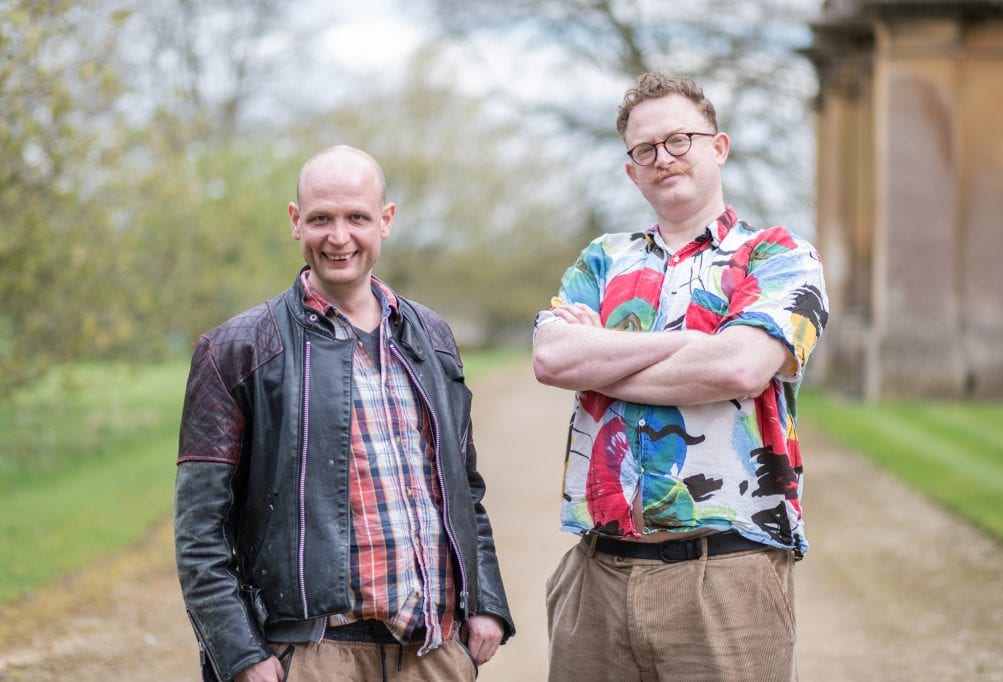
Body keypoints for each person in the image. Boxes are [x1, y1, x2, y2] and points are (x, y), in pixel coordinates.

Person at [174, 145, 514, 682]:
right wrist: (240, 656)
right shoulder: (237, 350)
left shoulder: (433, 339)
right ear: (295, 222)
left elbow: (463, 489)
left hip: (433, 653)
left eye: (357, 217)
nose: (339, 237)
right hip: (312, 655)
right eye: (321, 219)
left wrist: (487, 601)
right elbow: (199, 531)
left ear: (386, 220)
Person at [532, 72, 828, 681]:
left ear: (717, 148)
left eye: (679, 140)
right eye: (645, 150)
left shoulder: (779, 256)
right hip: (598, 574)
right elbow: (554, 360)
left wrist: (606, 357)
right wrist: (689, 345)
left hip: (725, 574)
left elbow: (743, 366)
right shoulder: (601, 260)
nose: (663, 158)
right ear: (631, 171)